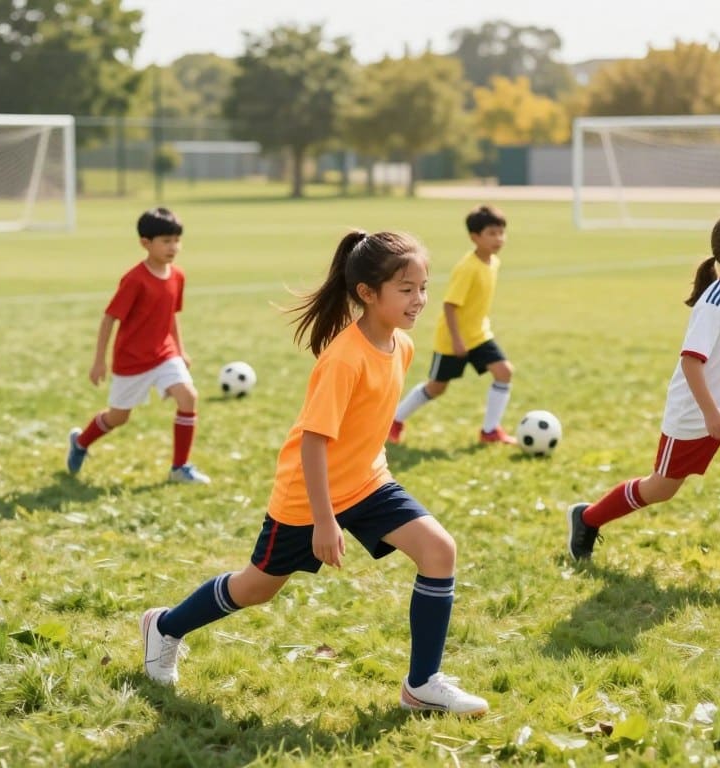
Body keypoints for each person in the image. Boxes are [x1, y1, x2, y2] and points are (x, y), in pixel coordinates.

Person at [139, 230, 489, 716]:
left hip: (367, 482)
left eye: (424, 287)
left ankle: (422, 684)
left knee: (439, 550)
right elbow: (313, 443)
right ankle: (165, 627)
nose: (419, 300)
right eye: (406, 289)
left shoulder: (402, 346)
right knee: (257, 587)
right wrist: (325, 520)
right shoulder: (343, 358)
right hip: (309, 493)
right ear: (368, 293)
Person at [567, 209, 720, 579]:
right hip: (694, 414)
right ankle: (587, 518)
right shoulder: (714, 304)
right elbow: (691, 363)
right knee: (661, 489)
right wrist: (712, 413)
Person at [67, 207, 210, 484]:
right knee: (118, 418)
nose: (173, 247)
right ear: (146, 243)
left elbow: (171, 316)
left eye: (176, 240)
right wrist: (99, 361)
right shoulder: (135, 279)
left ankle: (179, 468)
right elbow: (109, 318)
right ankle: (81, 442)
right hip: (132, 361)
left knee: (188, 396)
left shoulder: (178, 276)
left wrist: (180, 350)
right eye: (166, 241)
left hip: (165, 354)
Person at [389, 204, 517, 446]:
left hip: (479, 335)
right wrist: (458, 340)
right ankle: (395, 420)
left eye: (501, 233)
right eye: (492, 233)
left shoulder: (493, 262)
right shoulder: (468, 267)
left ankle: (490, 431)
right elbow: (450, 305)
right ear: (474, 237)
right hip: (452, 339)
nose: (499, 239)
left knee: (504, 372)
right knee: (437, 388)